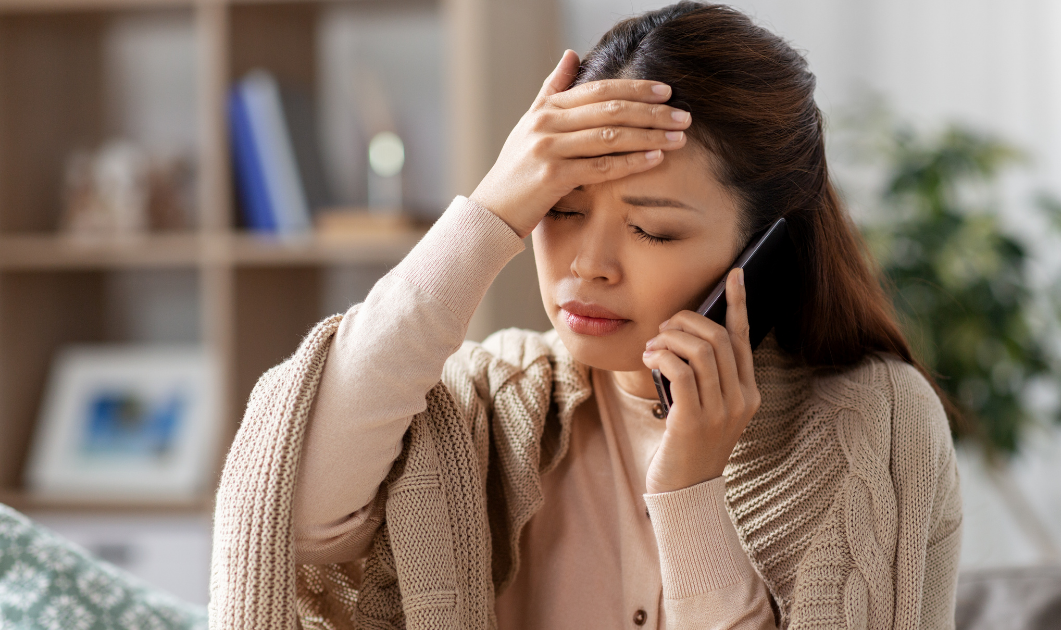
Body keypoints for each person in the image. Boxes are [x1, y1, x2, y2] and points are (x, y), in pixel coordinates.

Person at [208, 2, 962, 628]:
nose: (587, 263)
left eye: (653, 229)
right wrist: (490, 212)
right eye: (559, 209)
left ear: (767, 248)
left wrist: (691, 494)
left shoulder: (874, 421)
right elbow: (290, 513)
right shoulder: (482, 404)